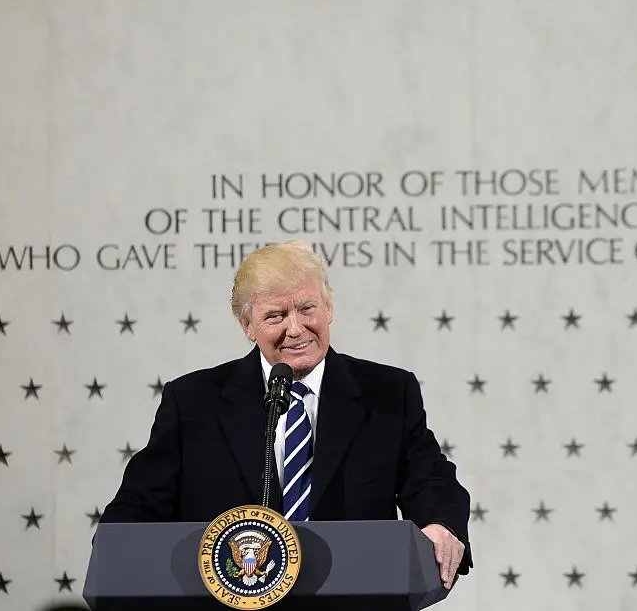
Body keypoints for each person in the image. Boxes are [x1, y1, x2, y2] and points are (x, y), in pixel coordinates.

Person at [99, 240, 472, 588]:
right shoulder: (193, 402)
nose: (296, 329)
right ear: (248, 326)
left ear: (328, 309)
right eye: (276, 315)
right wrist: (115, 551)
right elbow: (139, 505)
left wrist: (440, 524)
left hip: (358, 595)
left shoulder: (388, 393)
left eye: (307, 308)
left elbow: (430, 480)